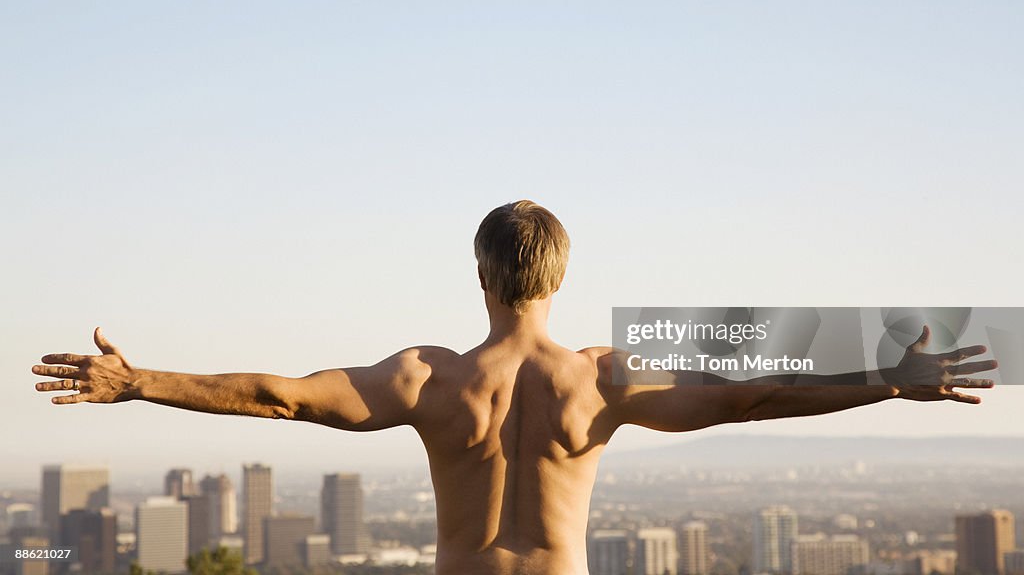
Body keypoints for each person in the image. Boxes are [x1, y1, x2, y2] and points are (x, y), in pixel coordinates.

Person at [32, 200, 996, 575]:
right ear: (561, 278)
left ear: (482, 276)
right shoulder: (607, 380)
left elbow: (279, 395)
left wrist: (137, 381)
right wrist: (889, 381)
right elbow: (751, 396)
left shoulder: (428, 379)